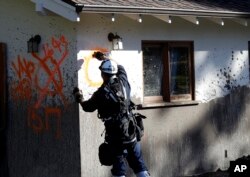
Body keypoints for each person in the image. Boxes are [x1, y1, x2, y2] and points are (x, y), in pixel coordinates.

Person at [73, 51, 150, 177]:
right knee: (138, 164)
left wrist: (79, 97)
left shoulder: (101, 93)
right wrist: (105, 57)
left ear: (103, 74)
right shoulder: (123, 81)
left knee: (119, 169)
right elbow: (121, 68)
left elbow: (87, 107)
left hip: (116, 136)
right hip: (131, 131)